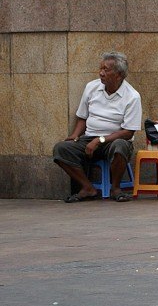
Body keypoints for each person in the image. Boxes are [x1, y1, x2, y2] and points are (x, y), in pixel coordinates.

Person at [52, 52, 142, 203]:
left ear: (119, 75)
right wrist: (75, 135)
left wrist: (100, 140)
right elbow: (82, 117)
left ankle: (116, 188)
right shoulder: (92, 87)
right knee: (61, 149)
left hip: (114, 140)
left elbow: (128, 132)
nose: (101, 73)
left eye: (106, 70)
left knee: (120, 146)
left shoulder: (132, 96)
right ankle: (87, 188)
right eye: (101, 69)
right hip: (88, 137)